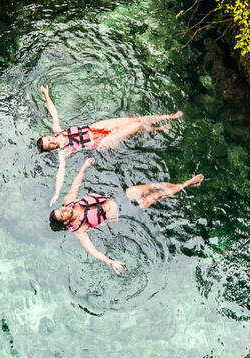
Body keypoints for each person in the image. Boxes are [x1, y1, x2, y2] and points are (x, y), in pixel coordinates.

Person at [48, 157, 203, 274]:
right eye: (62, 215)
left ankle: (182, 185)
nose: (64, 210)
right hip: (123, 212)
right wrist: (110, 263)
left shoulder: (69, 201)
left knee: (153, 187)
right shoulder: (79, 229)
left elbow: (75, 185)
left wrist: (84, 166)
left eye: (60, 210)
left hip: (119, 197)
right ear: (66, 221)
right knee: (154, 197)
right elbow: (92, 250)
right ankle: (187, 184)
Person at [38, 84, 183, 203]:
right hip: (100, 142)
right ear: (50, 149)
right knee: (137, 126)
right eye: (49, 145)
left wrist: (46, 94)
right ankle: (158, 129)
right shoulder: (63, 151)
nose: (52, 141)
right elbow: (60, 173)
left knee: (135, 120)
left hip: (94, 128)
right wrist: (57, 193)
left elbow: (53, 114)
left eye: (48, 139)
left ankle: (168, 117)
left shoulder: (57, 131)